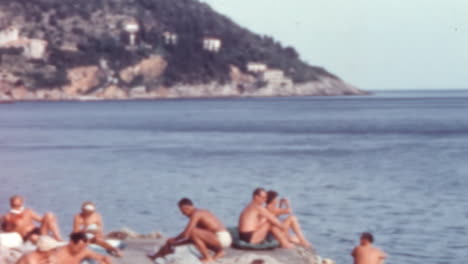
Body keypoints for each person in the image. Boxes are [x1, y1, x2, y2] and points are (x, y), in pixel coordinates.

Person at [148, 198, 231, 263]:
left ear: (186, 208)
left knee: (193, 231)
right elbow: (191, 239)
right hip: (221, 238)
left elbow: (187, 233)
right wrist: (174, 243)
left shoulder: (196, 213)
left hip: (221, 237)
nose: (182, 214)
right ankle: (219, 252)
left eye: (182, 211)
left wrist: (174, 240)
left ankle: (207, 258)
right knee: (193, 234)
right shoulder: (200, 213)